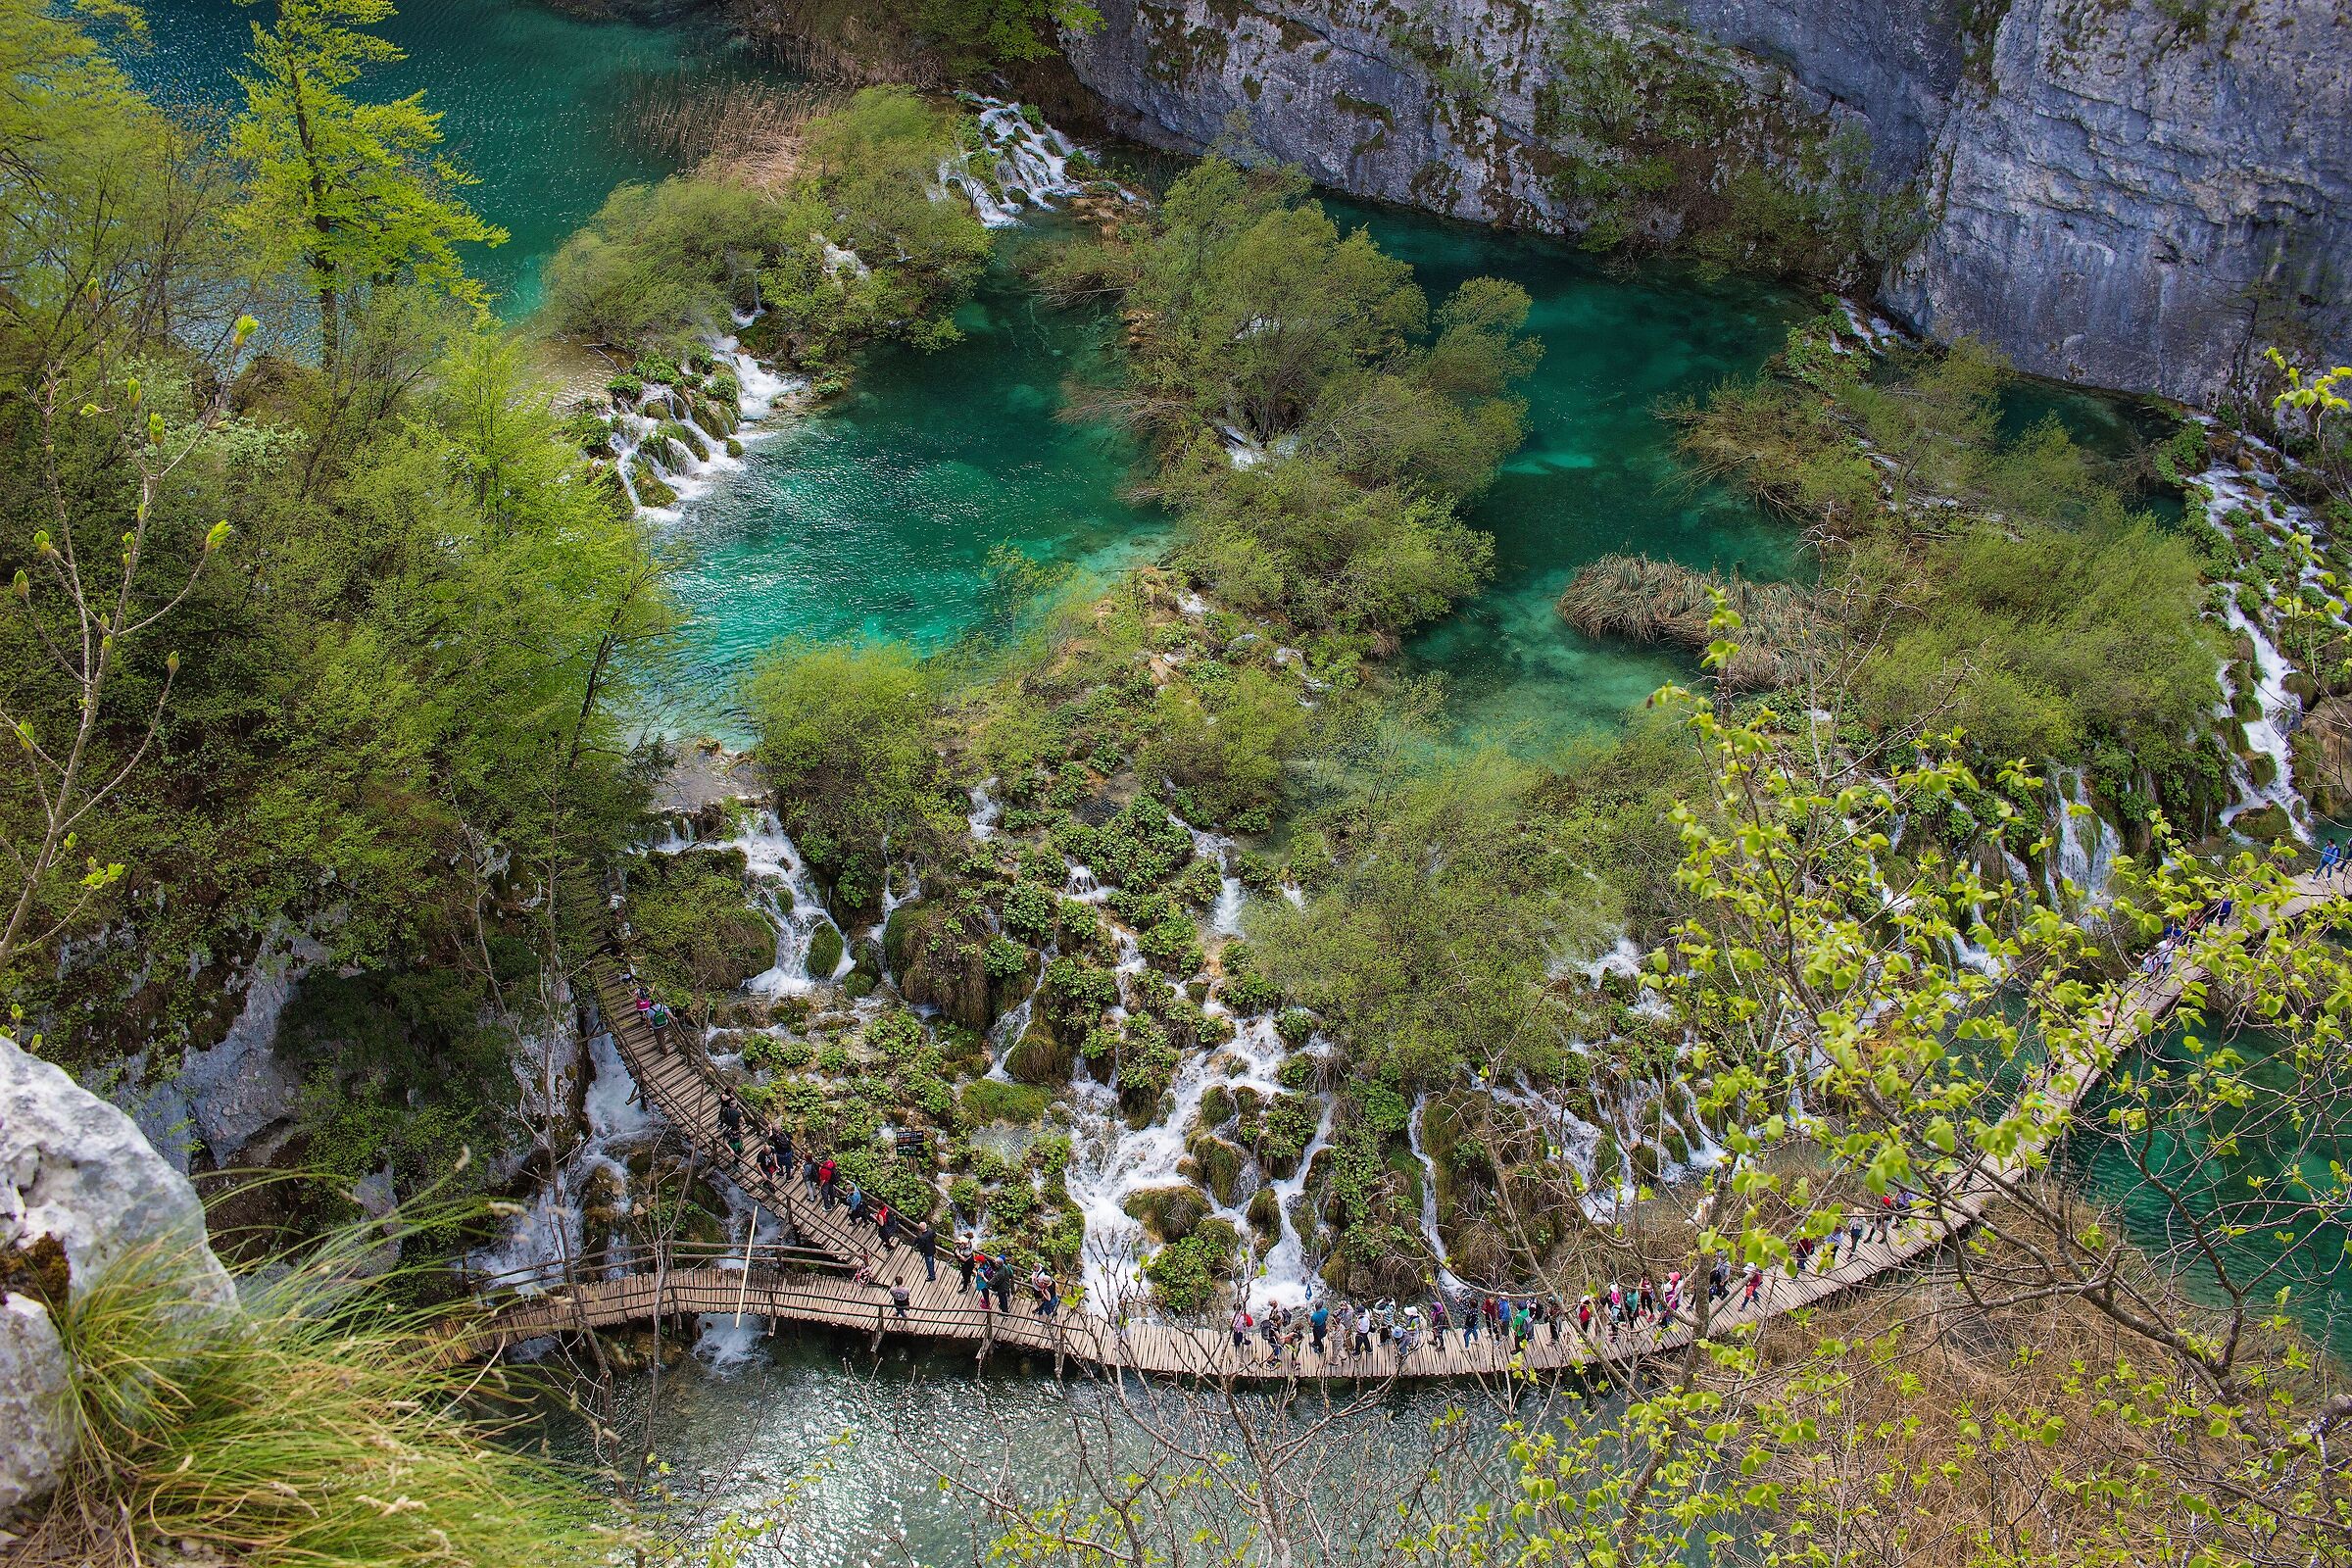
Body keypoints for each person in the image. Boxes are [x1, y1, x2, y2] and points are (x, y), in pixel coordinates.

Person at [915, 1219, 938, 1283]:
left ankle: (932, 1276)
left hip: (927, 1252)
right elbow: (935, 1235)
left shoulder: (922, 1237)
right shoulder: (931, 1231)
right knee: (931, 1261)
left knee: (929, 1264)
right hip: (932, 1249)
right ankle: (932, 1271)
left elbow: (920, 1246)